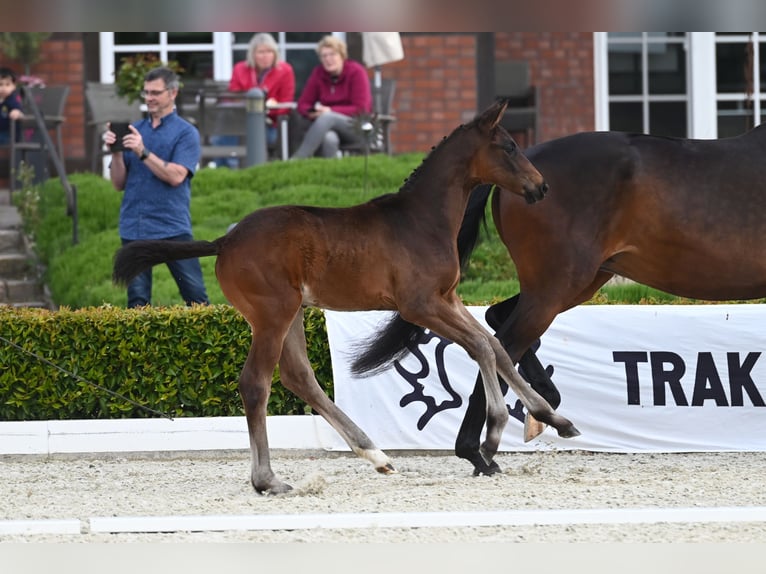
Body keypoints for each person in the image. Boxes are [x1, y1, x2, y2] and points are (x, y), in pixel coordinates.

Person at [104, 66, 210, 309]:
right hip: (135, 228)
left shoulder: (186, 133)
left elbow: (176, 176)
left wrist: (142, 152)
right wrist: (117, 153)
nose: (149, 98)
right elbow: (118, 184)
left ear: (172, 93)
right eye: (146, 93)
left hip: (172, 226)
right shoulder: (135, 130)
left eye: (155, 92)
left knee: (197, 300)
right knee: (137, 305)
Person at [212, 32, 295, 167]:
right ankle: (228, 168)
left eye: (269, 52)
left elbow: (286, 104)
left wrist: (268, 108)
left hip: (269, 124)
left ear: (275, 54)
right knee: (225, 121)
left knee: (223, 135)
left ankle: (228, 168)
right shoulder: (240, 69)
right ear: (252, 54)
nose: (265, 56)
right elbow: (233, 97)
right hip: (239, 121)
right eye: (261, 52)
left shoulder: (285, 70)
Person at [291, 35, 371, 159]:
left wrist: (330, 111)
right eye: (324, 56)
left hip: (357, 127)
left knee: (327, 117)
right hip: (329, 127)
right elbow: (303, 103)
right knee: (329, 138)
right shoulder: (318, 73)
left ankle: (298, 160)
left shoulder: (356, 72)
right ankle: (331, 174)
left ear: (342, 56)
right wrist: (312, 112)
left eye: (332, 54)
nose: (328, 59)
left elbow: (362, 108)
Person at [0, 67, 23, 145]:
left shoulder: (12, 99)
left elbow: (18, 109)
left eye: (7, 84)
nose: (3, 88)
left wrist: (16, 112)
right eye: (0, 84)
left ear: (14, 86)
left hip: (9, 134)